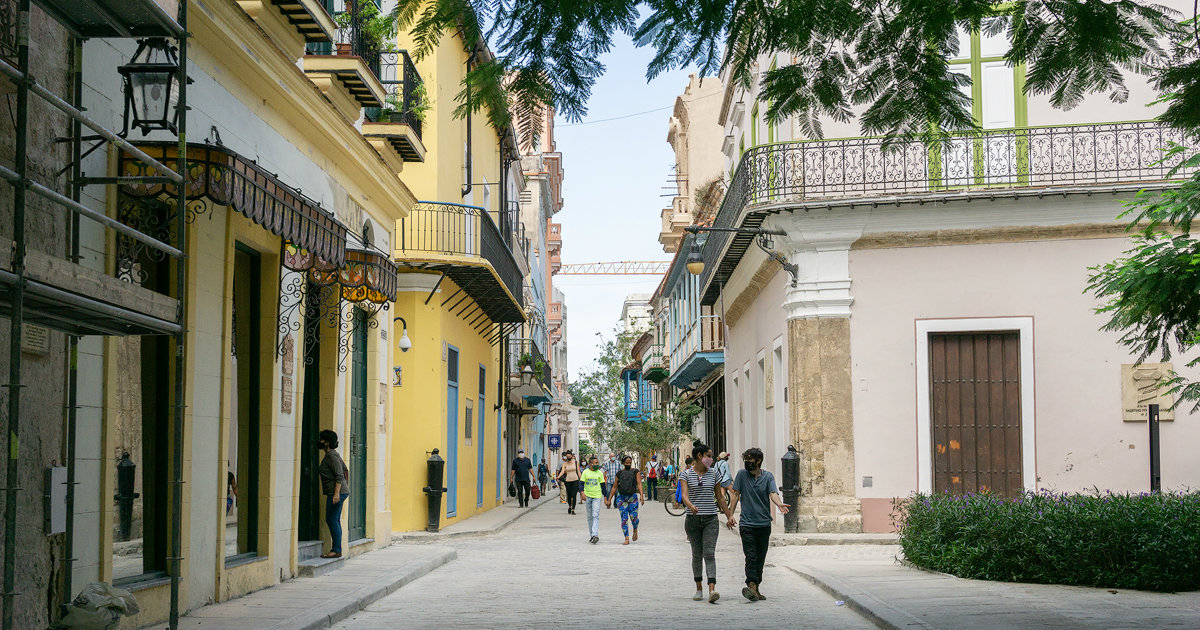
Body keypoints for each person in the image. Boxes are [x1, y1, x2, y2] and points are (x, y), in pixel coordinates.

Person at [727, 447, 790, 602]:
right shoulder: (742, 475)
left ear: (758, 460)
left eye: (750, 459)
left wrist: (779, 504)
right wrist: (730, 514)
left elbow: (773, 493)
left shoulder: (768, 477)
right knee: (751, 556)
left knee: (760, 558)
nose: (747, 462)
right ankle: (751, 584)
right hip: (747, 523)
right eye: (746, 459)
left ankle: (756, 588)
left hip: (763, 524)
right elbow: (735, 494)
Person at [680, 442, 734, 603]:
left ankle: (712, 590)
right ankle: (699, 588)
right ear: (699, 456)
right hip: (693, 519)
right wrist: (690, 506)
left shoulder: (714, 474)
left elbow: (720, 497)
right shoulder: (686, 475)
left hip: (711, 518)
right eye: (709, 456)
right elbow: (684, 495)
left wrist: (729, 515)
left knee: (709, 554)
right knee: (697, 555)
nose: (711, 459)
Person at [318, 429, 350, 559]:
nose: (319, 442)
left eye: (322, 439)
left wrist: (337, 493)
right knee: (334, 520)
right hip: (338, 492)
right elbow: (345, 472)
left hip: (336, 493)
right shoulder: (332, 455)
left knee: (332, 520)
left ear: (327, 442)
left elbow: (340, 476)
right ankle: (336, 549)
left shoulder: (332, 456)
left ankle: (336, 549)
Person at [606, 455, 644, 545]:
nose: (628, 464)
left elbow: (639, 484)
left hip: (632, 498)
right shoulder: (619, 473)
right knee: (624, 518)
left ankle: (635, 529)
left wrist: (642, 495)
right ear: (623, 463)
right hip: (621, 498)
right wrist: (609, 499)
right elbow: (614, 486)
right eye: (626, 463)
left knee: (633, 518)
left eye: (629, 463)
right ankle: (626, 538)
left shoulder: (635, 472)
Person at [580, 455, 606, 544]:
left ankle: (595, 534)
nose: (597, 464)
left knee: (595, 515)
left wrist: (606, 497)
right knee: (589, 516)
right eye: (595, 463)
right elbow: (581, 484)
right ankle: (592, 535)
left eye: (597, 463)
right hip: (588, 496)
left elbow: (603, 486)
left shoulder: (599, 473)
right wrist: (582, 493)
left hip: (597, 496)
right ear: (590, 464)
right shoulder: (585, 472)